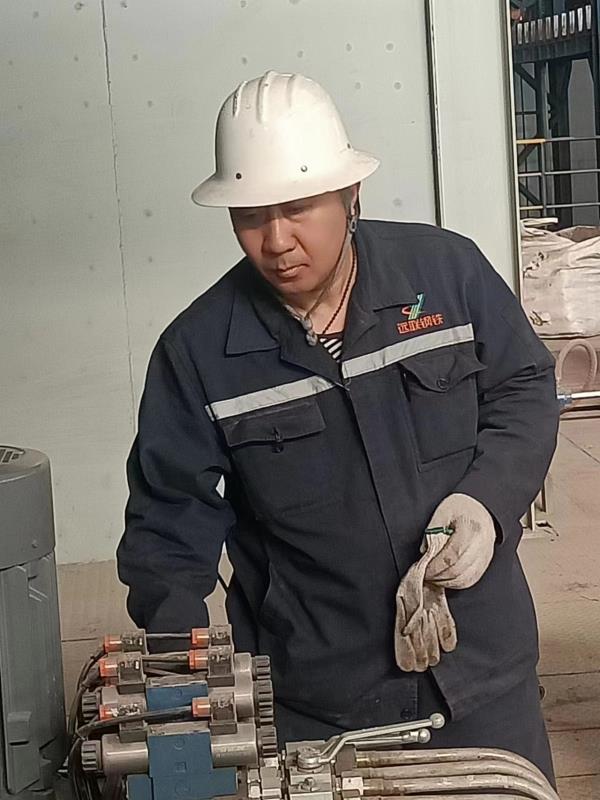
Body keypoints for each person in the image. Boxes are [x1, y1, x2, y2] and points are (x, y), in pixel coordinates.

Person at [117, 71, 559, 782]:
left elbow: (525, 386)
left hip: (486, 680)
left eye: (297, 208)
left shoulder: (446, 276)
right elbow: (168, 526)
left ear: (351, 193)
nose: (276, 240)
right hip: (323, 711)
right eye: (251, 215)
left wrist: (488, 501)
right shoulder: (197, 353)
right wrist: (183, 698)